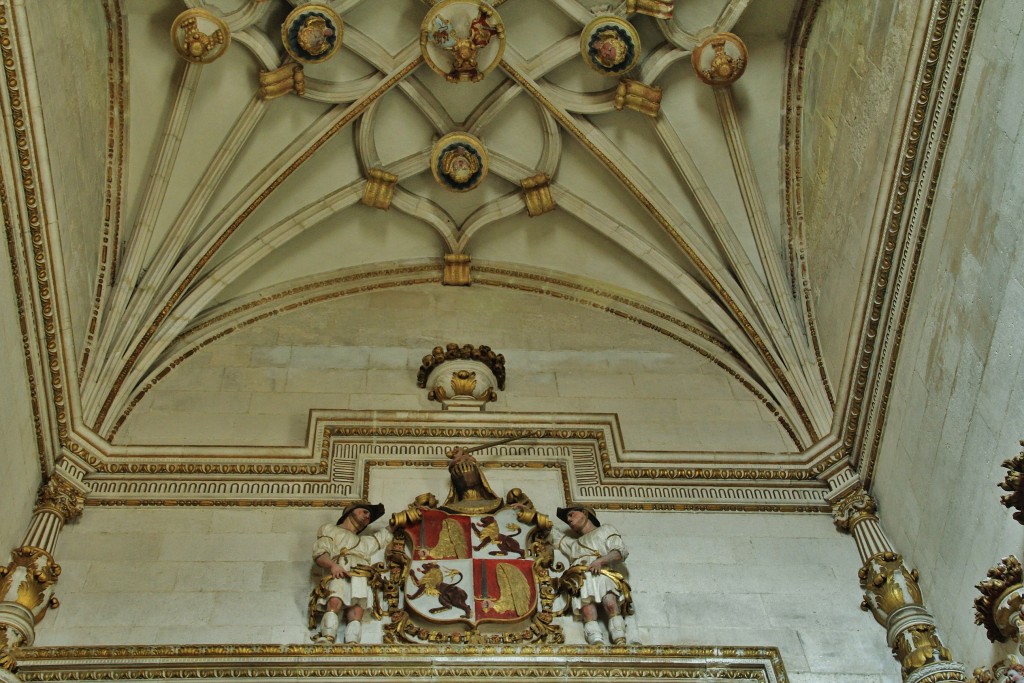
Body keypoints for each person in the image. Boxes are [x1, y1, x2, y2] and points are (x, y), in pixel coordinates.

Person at [312, 501, 392, 643]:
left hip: (360, 573)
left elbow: (384, 534)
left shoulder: (364, 542)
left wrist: (402, 519)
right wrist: (332, 565)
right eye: (364, 512)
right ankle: (328, 636)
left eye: (369, 515)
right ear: (351, 511)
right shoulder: (330, 529)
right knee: (334, 600)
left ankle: (352, 642)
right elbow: (320, 552)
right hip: (340, 567)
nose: (367, 517)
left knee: (358, 608)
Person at [551, 505, 630, 645]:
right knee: (587, 610)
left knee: (611, 603)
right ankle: (596, 640)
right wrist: (531, 515)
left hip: (602, 572)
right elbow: (552, 533)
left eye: (571, 514)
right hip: (582, 577)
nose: (568, 519)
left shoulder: (605, 530)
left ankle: (619, 637)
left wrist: (601, 561)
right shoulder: (574, 544)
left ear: (584, 513)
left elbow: (619, 551)